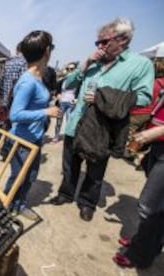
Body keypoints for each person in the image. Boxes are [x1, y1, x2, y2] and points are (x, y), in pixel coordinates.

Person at [49, 17, 154, 221]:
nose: (99, 46)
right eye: (97, 42)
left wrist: (103, 97)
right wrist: (86, 64)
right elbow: (68, 84)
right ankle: (65, 193)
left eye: (104, 41)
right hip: (76, 123)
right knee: (70, 163)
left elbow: (143, 97)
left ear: (123, 40)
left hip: (103, 128)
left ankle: (88, 203)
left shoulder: (140, 65)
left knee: (95, 170)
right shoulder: (94, 62)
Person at [4, 31, 61, 220]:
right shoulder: (28, 82)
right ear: (46, 51)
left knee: (30, 177)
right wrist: (46, 112)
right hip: (22, 142)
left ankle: (19, 205)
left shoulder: (38, 77)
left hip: (33, 139)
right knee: (18, 178)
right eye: (51, 48)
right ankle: (5, 208)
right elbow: (15, 114)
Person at [112, 98, 164, 269]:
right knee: (157, 206)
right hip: (157, 144)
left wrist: (157, 131)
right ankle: (144, 244)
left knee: (148, 206)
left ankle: (139, 255)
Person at [52, 62, 78, 143]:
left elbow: (80, 92)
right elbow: (56, 90)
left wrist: (76, 99)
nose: (69, 70)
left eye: (72, 69)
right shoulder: (62, 80)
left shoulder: (78, 81)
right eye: (68, 69)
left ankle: (68, 138)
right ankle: (56, 136)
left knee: (69, 121)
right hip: (62, 103)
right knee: (59, 121)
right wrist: (58, 95)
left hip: (71, 103)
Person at [0, 42, 27, 107]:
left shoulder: (8, 62)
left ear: (17, 50)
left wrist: (3, 97)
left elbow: (1, 82)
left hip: (6, 101)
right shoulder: (25, 63)